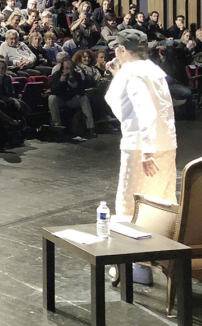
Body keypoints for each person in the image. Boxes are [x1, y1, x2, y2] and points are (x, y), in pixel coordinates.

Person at [104, 29, 178, 220]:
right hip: (164, 143)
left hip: (141, 148)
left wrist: (147, 150)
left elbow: (145, 109)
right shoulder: (152, 70)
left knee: (132, 207)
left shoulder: (132, 73)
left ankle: (131, 248)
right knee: (161, 202)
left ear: (122, 50)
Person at [48, 58, 97, 139]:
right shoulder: (56, 75)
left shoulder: (77, 75)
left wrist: (75, 86)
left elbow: (82, 92)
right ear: (62, 68)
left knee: (84, 98)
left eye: (70, 68)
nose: (69, 71)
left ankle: (91, 127)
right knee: (51, 98)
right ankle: (57, 126)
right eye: (66, 68)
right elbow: (53, 91)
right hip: (61, 100)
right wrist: (61, 81)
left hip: (72, 100)